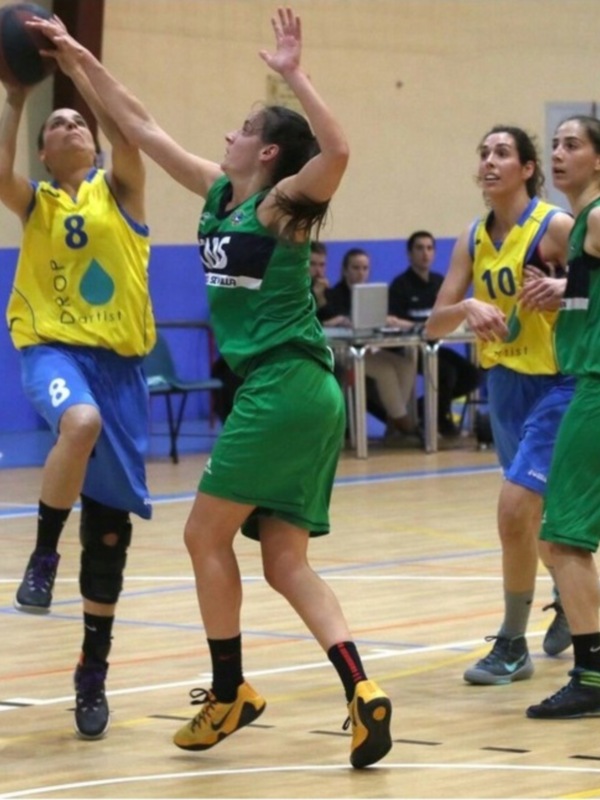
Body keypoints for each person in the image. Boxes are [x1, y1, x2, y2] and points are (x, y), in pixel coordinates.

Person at [31, 9, 392, 767]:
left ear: (264, 149)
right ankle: (362, 693)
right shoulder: (215, 194)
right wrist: (74, 56)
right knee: (285, 560)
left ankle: (229, 691)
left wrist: (294, 74)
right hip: (304, 394)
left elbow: (343, 148)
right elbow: (138, 122)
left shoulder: (281, 208)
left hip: (283, 385)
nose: (225, 135)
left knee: (203, 534)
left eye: (239, 126)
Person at [0, 63, 154, 738]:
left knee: (110, 538)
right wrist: (17, 96)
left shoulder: (121, 190)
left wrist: (78, 73)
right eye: (54, 125)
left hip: (121, 368)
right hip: (52, 349)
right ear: (42, 150)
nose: (67, 126)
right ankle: (41, 554)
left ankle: (92, 671)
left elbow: (128, 129)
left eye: (77, 123)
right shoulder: (37, 202)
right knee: (78, 420)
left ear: (92, 146)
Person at [425, 125, 575, 685]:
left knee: (515, 512)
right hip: (505, 387)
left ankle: (512, 644)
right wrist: (466, 305)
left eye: (503, 153)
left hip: (558, 384)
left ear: (528, 169)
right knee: (536, 527)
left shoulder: (555, 227)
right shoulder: (473, 236)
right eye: (483, 152)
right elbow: (432, 327)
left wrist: (565, 292)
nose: (489, 161)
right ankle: (568, 597)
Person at [526, 116, 600, 719]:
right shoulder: (583, 230)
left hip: (597, 387)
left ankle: (594, 676)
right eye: (555, 143)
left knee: (562, 537)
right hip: (586, 380)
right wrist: (567, 295)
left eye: (572, 144)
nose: (557, 153)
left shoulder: (597, 216)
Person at [319, 246, 420, 443]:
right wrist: (342, 320)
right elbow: (328, 321)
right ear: (345, 270)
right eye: (355, 268)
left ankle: (394, 423)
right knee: (385, 371)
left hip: (368, 349)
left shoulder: (373, 296)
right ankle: (405, 423)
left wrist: (386, 321)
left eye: (365, 268)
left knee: (406, 365)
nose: (360, 273)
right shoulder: (332, 294)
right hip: (343, 352)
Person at [388, 230, 480, 437]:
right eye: (419, 248)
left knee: (471, 375)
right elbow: (392, 320)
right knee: (445, 373)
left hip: (436, 346)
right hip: (411, 349)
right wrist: (417, 325)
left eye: (429, 248)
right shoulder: (400, 285)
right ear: (410, 253)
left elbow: (452, 315)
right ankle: (440, 421)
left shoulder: (440, 282)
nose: (425, 253)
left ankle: (424, 408)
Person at [309, 239, 329, 309]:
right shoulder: (296, 290)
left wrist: (321, 297)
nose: (318, 270)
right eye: (312, 264)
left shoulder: (327, 290)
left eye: (322, 265)